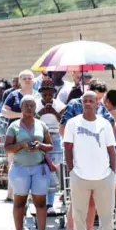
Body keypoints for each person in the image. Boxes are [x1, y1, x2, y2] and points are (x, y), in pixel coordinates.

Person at [59, 78, 115, 230]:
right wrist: (71, 170)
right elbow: (67, 147)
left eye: (92, 100)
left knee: (106, 217)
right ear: (81, 103)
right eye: (85, 101)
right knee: (78, 215)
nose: (88, 103)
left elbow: (111, 149)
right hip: (80, 176)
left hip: (104, 177)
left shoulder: (104, 123)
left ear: (98, 103)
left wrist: (112, 172)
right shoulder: (73, 123)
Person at [4, 95, 53, 230]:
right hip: (20, 168)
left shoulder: (42, 125)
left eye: (32, 105)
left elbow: (50, 145)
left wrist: (40, 145)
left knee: (40, 202)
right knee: (20, 202)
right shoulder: (14, 126)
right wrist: (22, 145)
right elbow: (7, 147)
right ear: (21, 107)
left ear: (35, 108)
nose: (30, 108)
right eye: (26, 105)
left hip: (39, 167)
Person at [2, 70, 39, 202]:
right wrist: (20, 115)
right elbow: (4, 111)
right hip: (15, 132)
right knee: (13, 162)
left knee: (32, 162)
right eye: (24, 78)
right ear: (19, 80)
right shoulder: (13, 95)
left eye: (30, 78)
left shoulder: (38, 95)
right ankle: (10, 193)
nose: (27, 80)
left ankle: (30, 193)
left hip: (34, 132)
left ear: (34, 81)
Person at [36, 78, 67, 215]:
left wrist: (54, 112)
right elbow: (31, 119)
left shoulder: (59, 105)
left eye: (50, 94)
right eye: (45, 95)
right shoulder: (36, 104)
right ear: (41, 93)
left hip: (54, 136)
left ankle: (50, 203)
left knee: (52, 169)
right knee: (40, 169)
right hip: (40, 136)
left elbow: (64, 119)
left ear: (54, 93)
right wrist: (41, 113)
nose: (48, 97)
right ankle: (40, 200)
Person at [103, 89, 116, 209]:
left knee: (114, 183)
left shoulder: (113, 113)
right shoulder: (114, 112)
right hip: (114, 153)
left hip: (114, 153)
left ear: (108, 101)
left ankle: (115, 209)